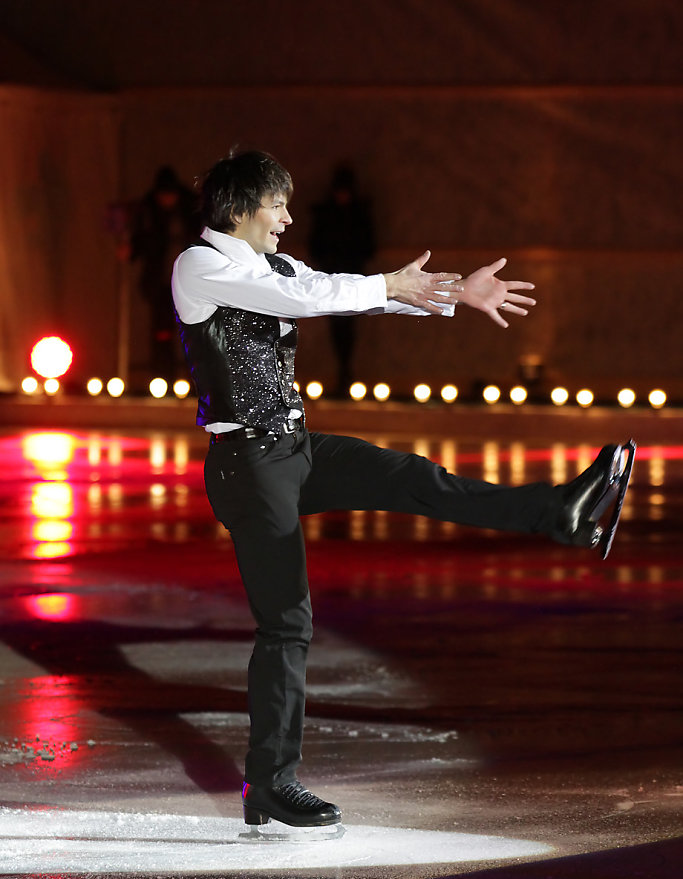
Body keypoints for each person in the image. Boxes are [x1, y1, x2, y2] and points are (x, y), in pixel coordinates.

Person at [171, 149, 629, 831]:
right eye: (278, 205)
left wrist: (451, 295)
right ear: (239, 208)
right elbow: (310, 299)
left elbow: (344, 286)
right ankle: (269, 783)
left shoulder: (276, 265)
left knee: (416, 478)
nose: (289, 217)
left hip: (294, 448)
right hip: (246, 466)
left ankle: (560, 511)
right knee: (287, 623)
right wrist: (385, 285)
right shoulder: (199, 266)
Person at [309, 163, 376, 395]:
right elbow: (315, 245)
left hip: (353, 278)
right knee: (338, 326)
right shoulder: (326, 215)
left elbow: (369, 246)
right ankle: (342, 371)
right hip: (331, 278)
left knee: (348, 325)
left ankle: (346, 371)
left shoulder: (358, 215)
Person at [130, 165, 200, 381]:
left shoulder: (192, 210)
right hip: (160, 282)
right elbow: (142, 239)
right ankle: (162, 378)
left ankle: (194, 382)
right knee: (162, 333)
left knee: (194, 331)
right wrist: (131, 250)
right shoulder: (149, 210)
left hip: (189, 283)